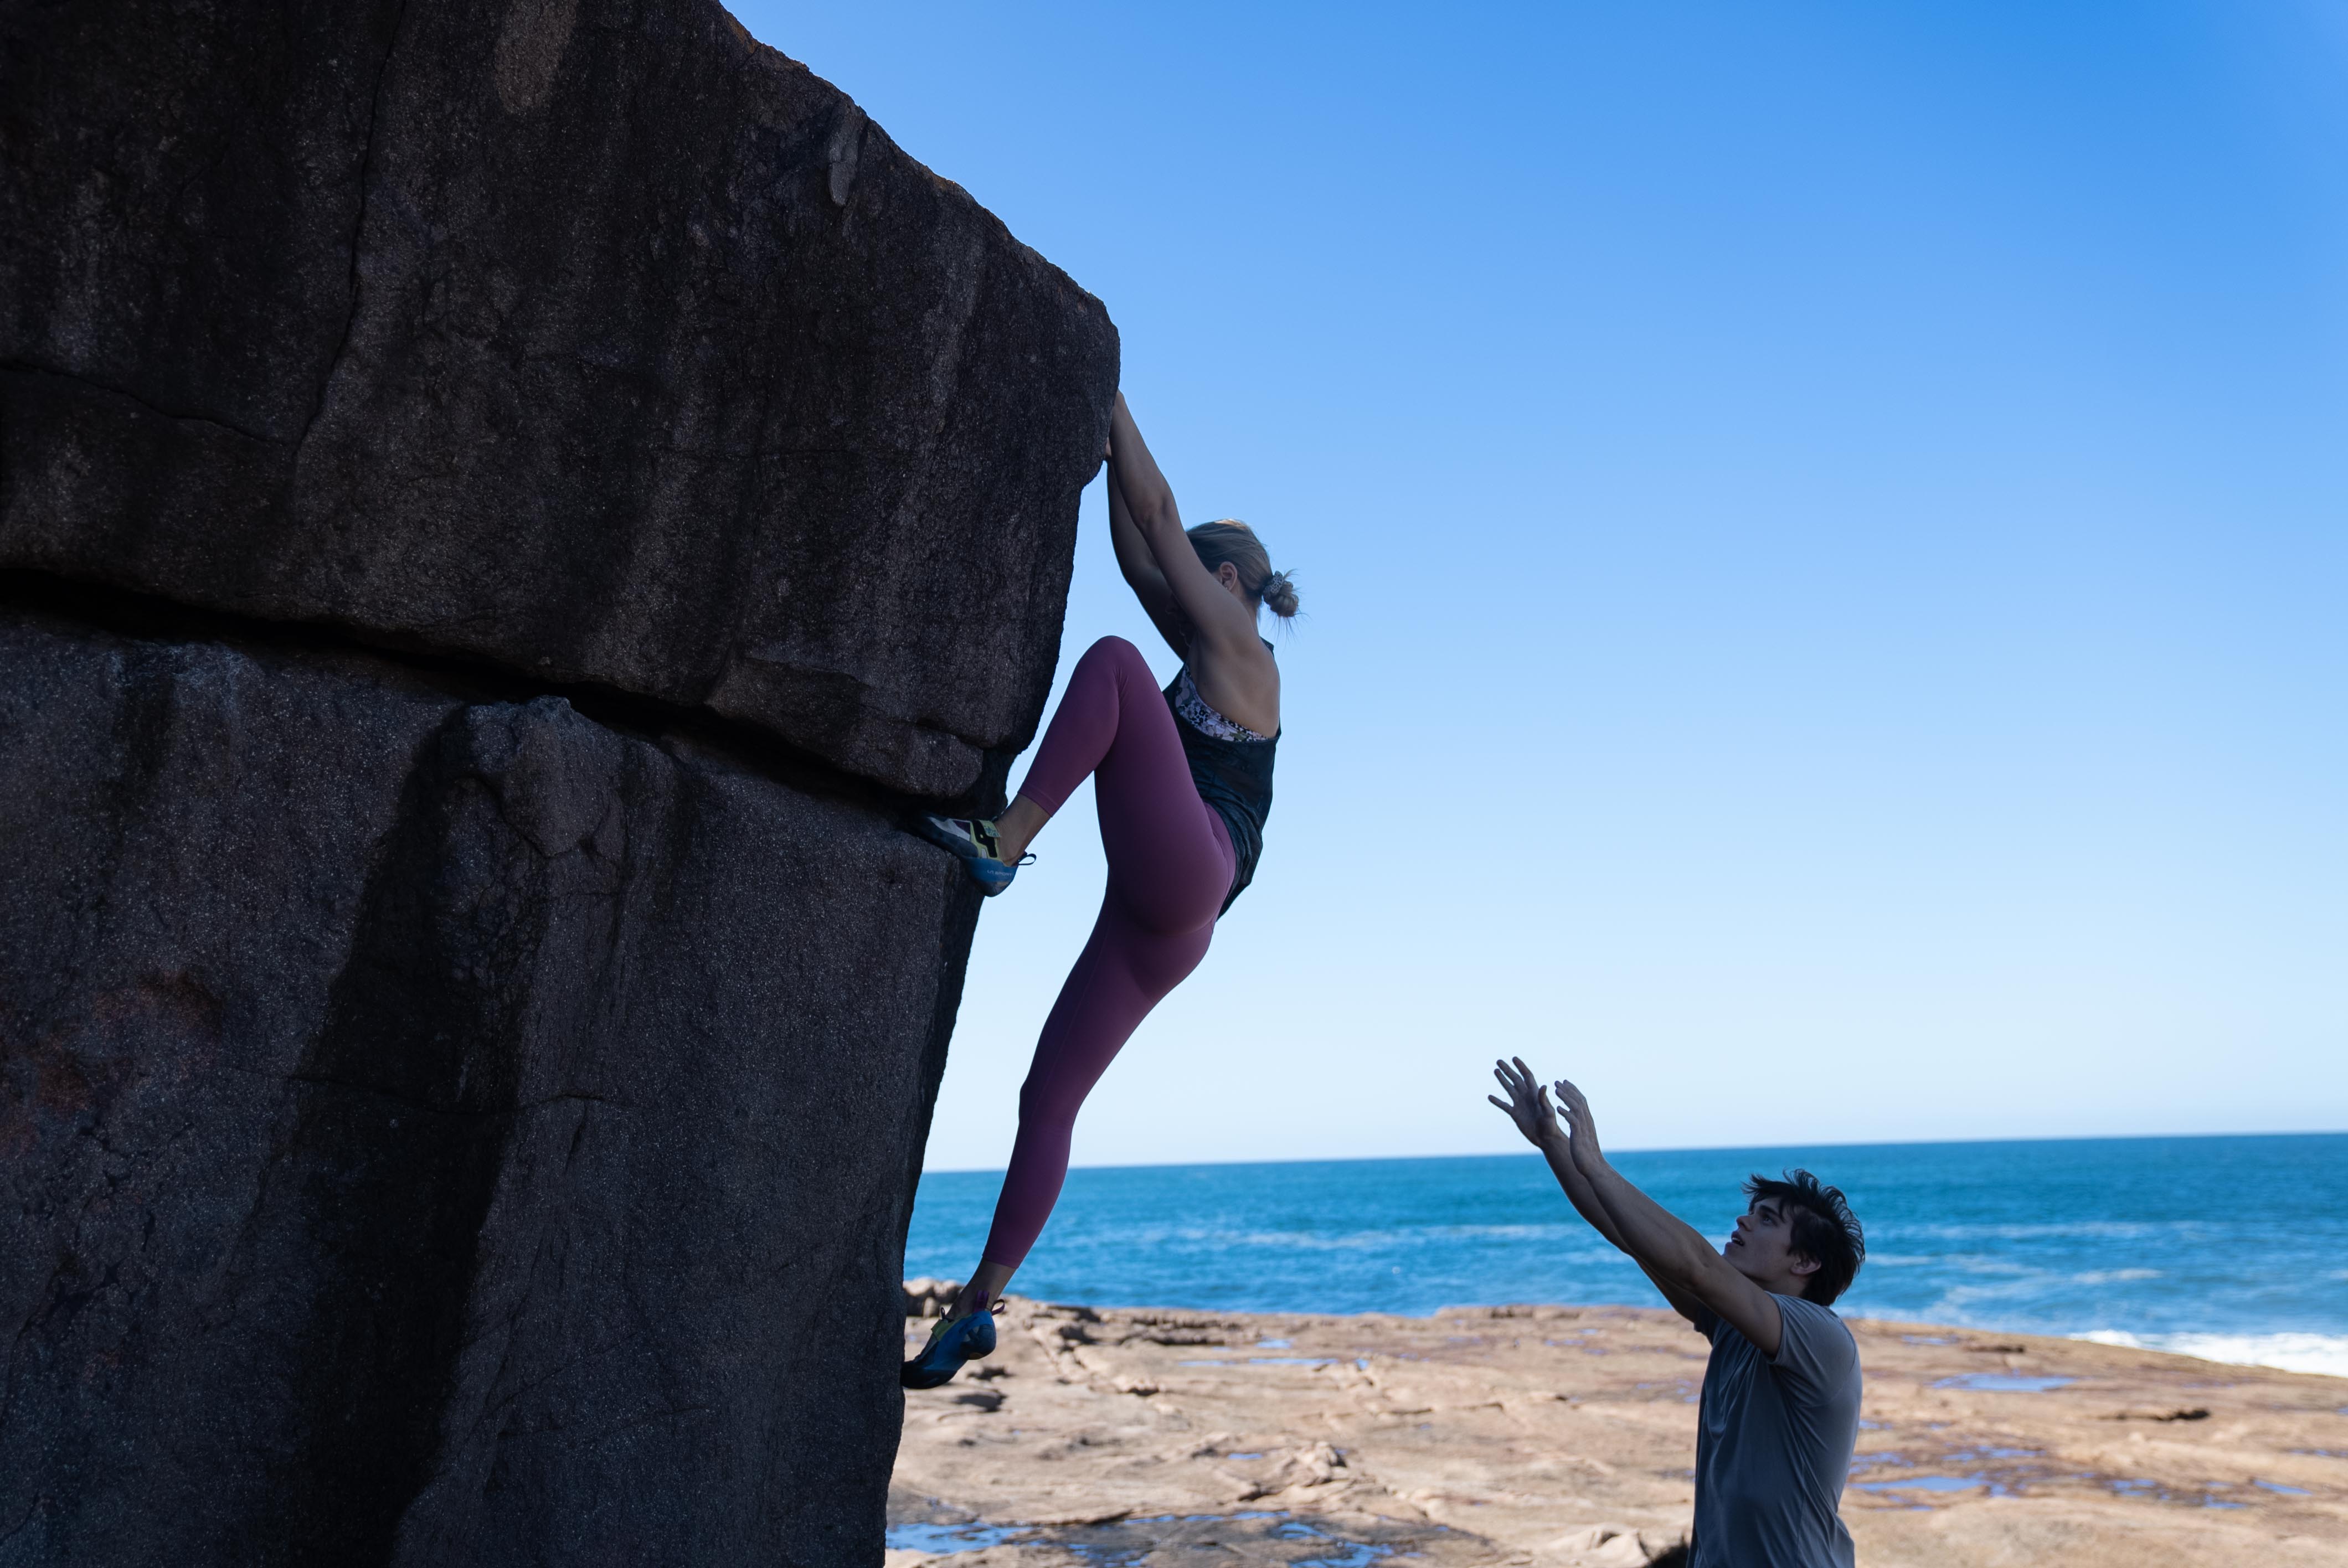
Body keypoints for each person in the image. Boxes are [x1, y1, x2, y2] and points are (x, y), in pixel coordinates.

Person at [902, 391, 1300, 1389]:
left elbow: (1158, 519)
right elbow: (1136, 551)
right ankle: (977, 1306)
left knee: (1118, 664)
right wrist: (1099, 441)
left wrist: (1110, 389)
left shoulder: (1242, 650)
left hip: (1192, 866)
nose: (1176, 586)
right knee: (1047, 1098)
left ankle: (1004, 841)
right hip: (1164, 919)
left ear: (1224, 582)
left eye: (1192, 573)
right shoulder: (1207, 646)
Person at [1488, 1058, 1866, 1568]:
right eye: (1751, 1212)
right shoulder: (1733, 1326)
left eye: (1766, 1220)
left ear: (1805, 1261)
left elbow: (1697, 1266)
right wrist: (1552, 1142)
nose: (1743, 1221)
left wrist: (1597, 1164)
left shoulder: (1819, 1337)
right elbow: (1630, 1237)